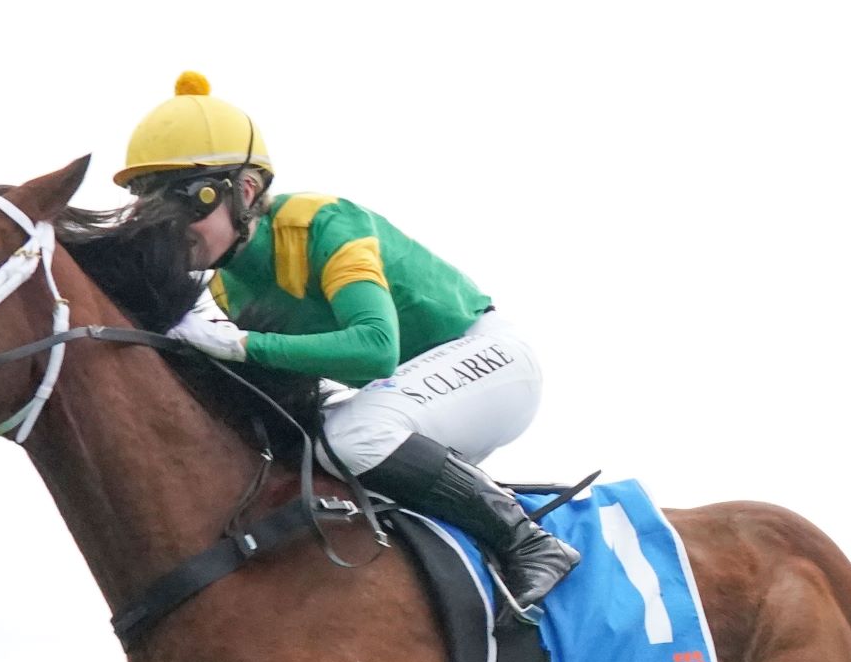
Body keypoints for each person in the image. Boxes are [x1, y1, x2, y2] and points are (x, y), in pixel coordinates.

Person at [111, 71, 577, 615]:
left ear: (245, 191)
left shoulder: (324, 223)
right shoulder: (223, 287)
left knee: (352, 436)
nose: (170, 229)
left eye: (187, 203)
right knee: (310, 453)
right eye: (150, 207)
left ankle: (529, 542)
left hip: (492, 362)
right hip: (411, 400)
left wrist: (241, 345)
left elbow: (376, 349)